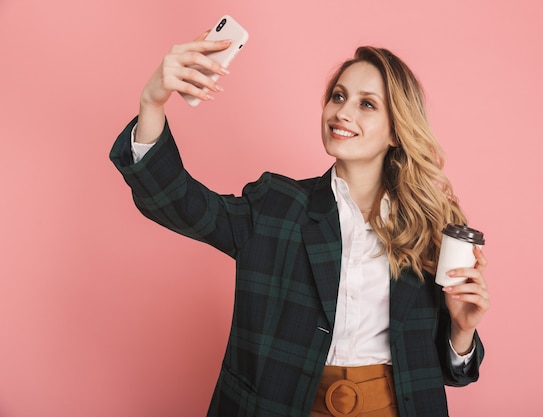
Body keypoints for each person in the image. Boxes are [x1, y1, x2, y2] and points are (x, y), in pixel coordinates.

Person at [110, 32, 490, 417]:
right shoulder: (277, 204)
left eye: (367, 104)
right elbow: (177, 203)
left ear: (396, 131)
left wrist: (462, 330)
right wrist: (152, 102)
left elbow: (446, 374)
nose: (342, 113)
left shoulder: (427, 230)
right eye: (338, 96)